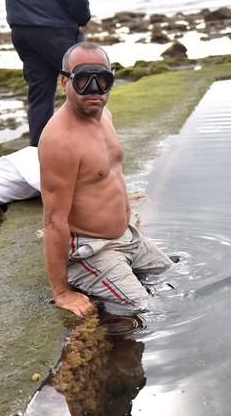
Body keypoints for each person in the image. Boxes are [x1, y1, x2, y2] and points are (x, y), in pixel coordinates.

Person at [38, 42, 173, 317]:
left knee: (169, 272)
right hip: (92, 249)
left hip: (127, 236)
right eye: (83, 80)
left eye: (103, 80)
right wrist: (61, 292)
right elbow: (54, 221)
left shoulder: (105, 116)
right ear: (65, 82)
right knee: (145, 309)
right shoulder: (59, 140)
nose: (95, 89)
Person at [5, 0, 91, 147]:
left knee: (40, 95)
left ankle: (39, 152)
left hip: (21, 28)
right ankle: (88, 148)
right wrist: (83, 16)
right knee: (89, 82)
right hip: (54, 27)